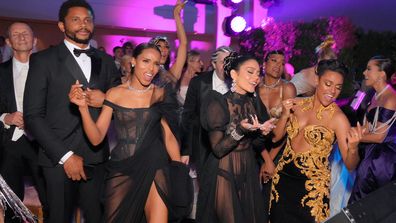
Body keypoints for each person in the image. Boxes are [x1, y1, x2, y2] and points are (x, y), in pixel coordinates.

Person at [69, 42, 192, 223]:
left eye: (156, 63)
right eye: (146, 61)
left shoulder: (160, 94)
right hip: (122, 169)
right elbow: (96, 139)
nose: (151, 68)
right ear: (133, 61)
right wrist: (83, 110)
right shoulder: (115, 94)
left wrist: (178, 169)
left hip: (155, 166)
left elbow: (168, 135)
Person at [23, 1, 121, 222]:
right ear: (61, 26)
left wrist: (106, 101)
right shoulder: (42, 60)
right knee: (59, 218)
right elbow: (33, 115)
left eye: (87, 19)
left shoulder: (106, 61)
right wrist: (65, 156)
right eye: (75, 20)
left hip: (97, 158)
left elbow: (121, 110)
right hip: (58, 158)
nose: (83, 25)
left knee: (97, 217)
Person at [269, 59, 363, 223]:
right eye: (328, 84)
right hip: (282, 182)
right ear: (317, 80)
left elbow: (350, 164)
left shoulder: (338, 119)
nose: (333, 91)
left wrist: (354, 148)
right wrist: (284, 115)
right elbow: (276, 138)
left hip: (312, 191)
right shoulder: (296, 104)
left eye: (338, 87)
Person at [196, 52, 276, 223]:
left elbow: (254, 143)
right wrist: (240, 129)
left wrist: (262, 132)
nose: (256, 77)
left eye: (257, 73)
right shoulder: (217, 102)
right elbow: (217, 149)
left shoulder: (253, 102)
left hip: (248, 170)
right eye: (250, 72)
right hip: (223, 171)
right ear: (234, 74)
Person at [0, 22, 47, 223]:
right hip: (9, 141)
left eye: (25, 33)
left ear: (34, 40)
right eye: (15, 34)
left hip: (43, 141)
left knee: (50, 194)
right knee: (11, 199)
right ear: (9, 42)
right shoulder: (0, 71)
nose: (21, 37)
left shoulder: (48, 70)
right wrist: (4, 117)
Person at [349, 56, 396, 203]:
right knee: (359, 201)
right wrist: (346, 130)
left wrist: (352, 137)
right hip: (371, 154)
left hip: (383, 161)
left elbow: (379, 137)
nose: (364, 73)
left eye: (369, 69)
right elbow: (369, 126)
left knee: (367, 203)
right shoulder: (374, 95)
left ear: (382, 74)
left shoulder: (391, 98)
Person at [255, 50, 296, 221]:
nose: (278, 65)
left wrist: (269, 160)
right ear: (264, 64)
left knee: (272, 200)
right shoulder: (254, 87)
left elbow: (288, 127)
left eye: (281, 62)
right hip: (254, 146)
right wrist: (265, 159)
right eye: (273, 60)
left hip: (279, 149)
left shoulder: (287, 88)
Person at [181, 46, 234, 176]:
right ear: (214, 64)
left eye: (230, 61)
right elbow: (188, 116)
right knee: (205, 187)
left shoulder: (238, 83)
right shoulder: (198, 82)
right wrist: (185, 150)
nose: (227, 65)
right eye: (224, 61)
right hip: (203, 145)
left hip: (231, 145)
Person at [150, 0, 188, 87]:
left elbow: (183, 43)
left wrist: (176, 15)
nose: (164, 50)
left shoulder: (172, 73)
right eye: (159, 46)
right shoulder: (145, 73)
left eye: (166, 47)